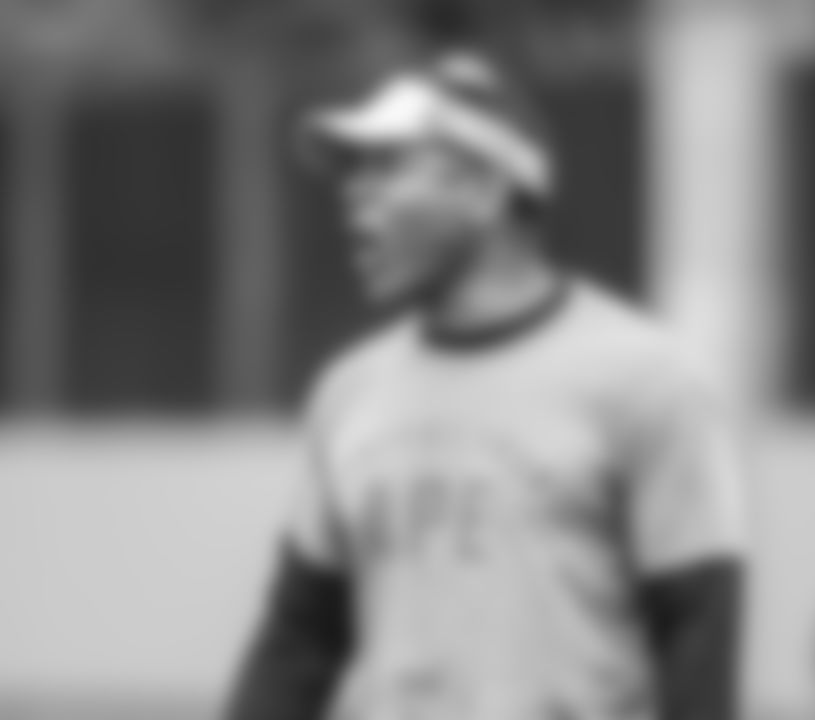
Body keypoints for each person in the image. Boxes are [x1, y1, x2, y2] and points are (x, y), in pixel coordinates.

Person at [227, 50, 747, 720]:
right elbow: (298, 642)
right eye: (352, 170)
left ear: (486, 188)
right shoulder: (347, 393)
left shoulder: (650, 381)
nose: (355, 192)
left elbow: (698, 637)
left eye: (385, 165)